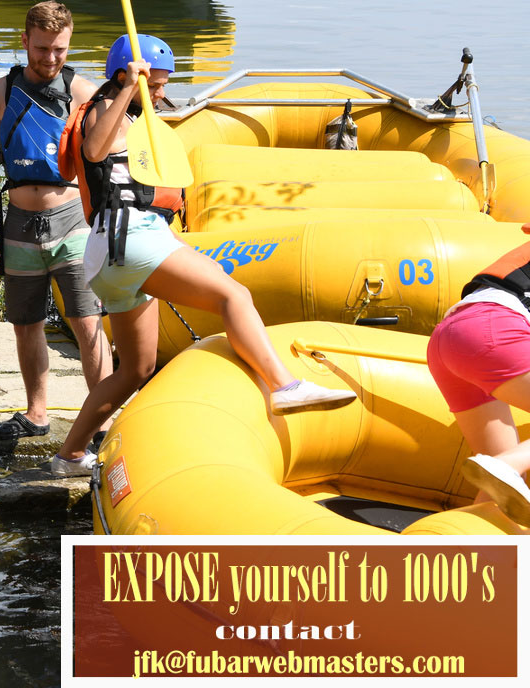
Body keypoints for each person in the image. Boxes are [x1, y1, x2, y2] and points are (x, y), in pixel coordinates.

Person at [49, 33, 357, 476]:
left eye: (161, 84)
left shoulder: (132, 118)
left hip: (113, 249)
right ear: (125, 75)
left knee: (136, 369)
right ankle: (283, 385)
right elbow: (95, 148)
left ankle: (70, 455)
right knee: (233, 296)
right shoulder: (108, 108)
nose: (160, 93)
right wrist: (127, 90)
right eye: (154, 84)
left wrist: (136, 94)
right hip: (127, 236)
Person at [0, 1, 110, 440]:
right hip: (18, 224)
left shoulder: (84, 93)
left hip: (72, 221)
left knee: (87, 322)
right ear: (25, 40)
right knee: (25, 323)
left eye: (61, 50)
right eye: (43, 48)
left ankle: (103, 420)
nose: (51, 58)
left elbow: (104, 160)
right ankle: (36, 414)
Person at [426, 228, 530, 525]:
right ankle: (509, 464)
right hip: (494, 331)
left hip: (452, 337)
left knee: (500, 497)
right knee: (508, 467)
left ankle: (446, 542)